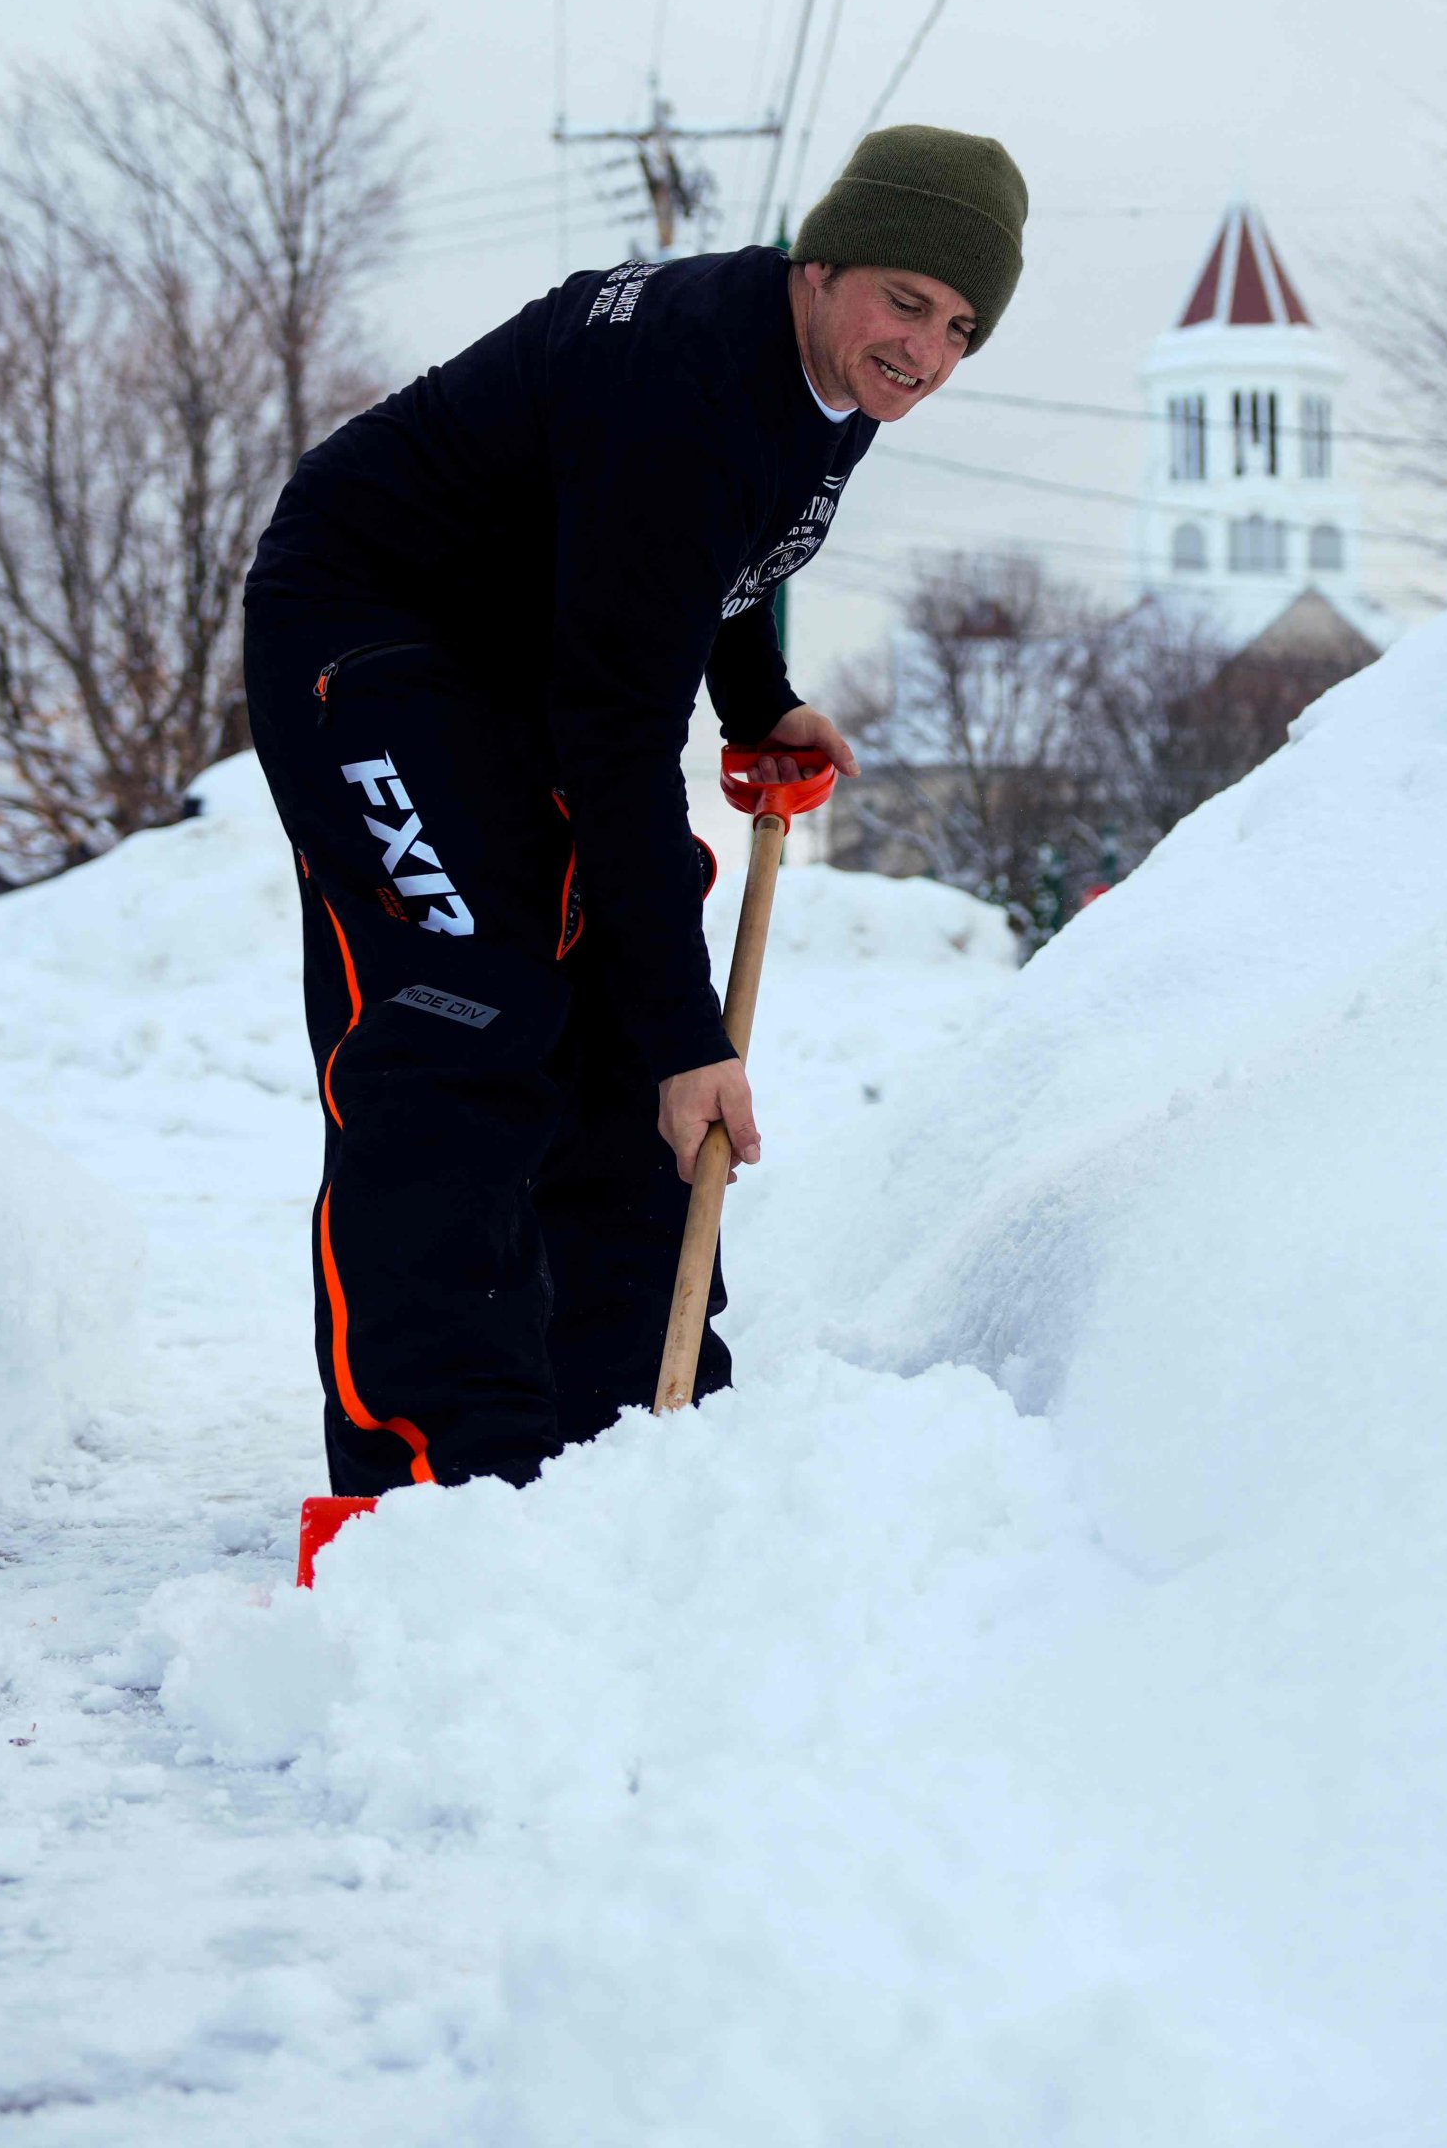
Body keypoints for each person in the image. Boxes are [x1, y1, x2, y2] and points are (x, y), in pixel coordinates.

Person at [240, 125, 1029, 1497]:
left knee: (611, 1023)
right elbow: (616, 726)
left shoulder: (830, 382)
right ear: (823, 256)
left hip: (530, 662)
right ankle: (429, 1494)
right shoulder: (688, 380)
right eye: (906, 301)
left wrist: (757, 693)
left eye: (961, 325)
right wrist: (688, 1040)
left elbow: (715, 558)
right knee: (464, 1005)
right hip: (370, 627)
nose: (927, 352)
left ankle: (619, 1458)